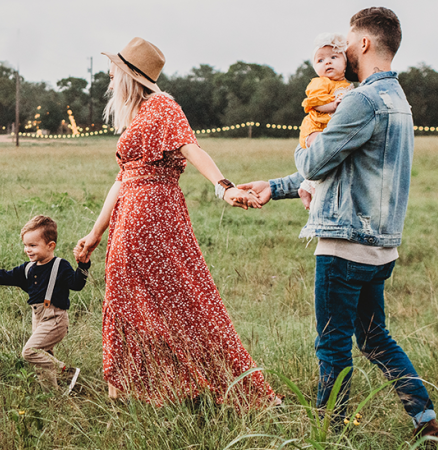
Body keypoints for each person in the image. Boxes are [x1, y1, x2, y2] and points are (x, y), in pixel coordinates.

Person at [238, 7, 438, 437]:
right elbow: (341, 165)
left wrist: (304, 137)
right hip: (381, 246)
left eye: (348, 40)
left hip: (345, 245)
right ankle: (426, 418)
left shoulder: (361, 100)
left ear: (363, 43)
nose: (342, 48)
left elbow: (315, 159)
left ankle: (330, 432)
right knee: (374, 337)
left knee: (332, 344)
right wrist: (277, 186)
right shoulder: (397, 99)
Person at [74, 37, 276, 406]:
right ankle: (133, 391)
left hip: (151, 215)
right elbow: (122, 180)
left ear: (129, 75)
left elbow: (191, 147)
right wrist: (95, 233)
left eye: (113, 70)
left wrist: (224, 186)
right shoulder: (137, 115)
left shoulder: (162, 106)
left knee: (180, 300)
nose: (108, 75)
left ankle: (201, 386)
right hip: (132, 214)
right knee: (134, 301)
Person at [0, 215, 88, 393]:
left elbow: (77, 284)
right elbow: (5, 276)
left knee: (30, 352)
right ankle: (53, 394)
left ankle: (66, 372)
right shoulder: (28, 268)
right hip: (38, 318)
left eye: (33, 245)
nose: (27, 249)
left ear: (51, 246)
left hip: (56, 319)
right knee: (43, 359)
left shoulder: (60, 266)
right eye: (26, 245)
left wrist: (83, 265)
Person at [298, 33, 354, 208]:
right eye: (320, 60)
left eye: (333, 57)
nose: (327, 62)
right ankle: (312, 188)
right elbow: (314, 103)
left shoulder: (347, 85)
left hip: (328, 129)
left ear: (345, 62)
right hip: (315, 127)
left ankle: (307, 185)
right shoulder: (320, 83)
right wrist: (332, 105)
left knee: (331, 155)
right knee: (320, 152)